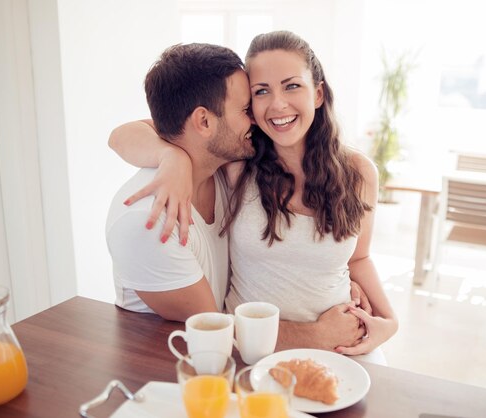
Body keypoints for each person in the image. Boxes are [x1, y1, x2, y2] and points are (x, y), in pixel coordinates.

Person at [111, 32, 391, 358]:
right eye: (258, 94)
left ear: (317, 93)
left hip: (347, 340)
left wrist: (389, 321)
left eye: (292, 85)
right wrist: (171, 157)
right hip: (257, 349)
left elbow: (358, 258)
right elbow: (132, 132)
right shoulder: (237, 162)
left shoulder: (357, 171)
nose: (276, 104)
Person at [105, 43, 255, 322]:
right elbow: (214, 330)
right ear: (204, 122)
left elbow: (129, 131)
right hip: (173, 361)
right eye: (246, 109)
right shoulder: (146, 220)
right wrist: (319, 334)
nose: (256, 119)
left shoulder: (220, 168)